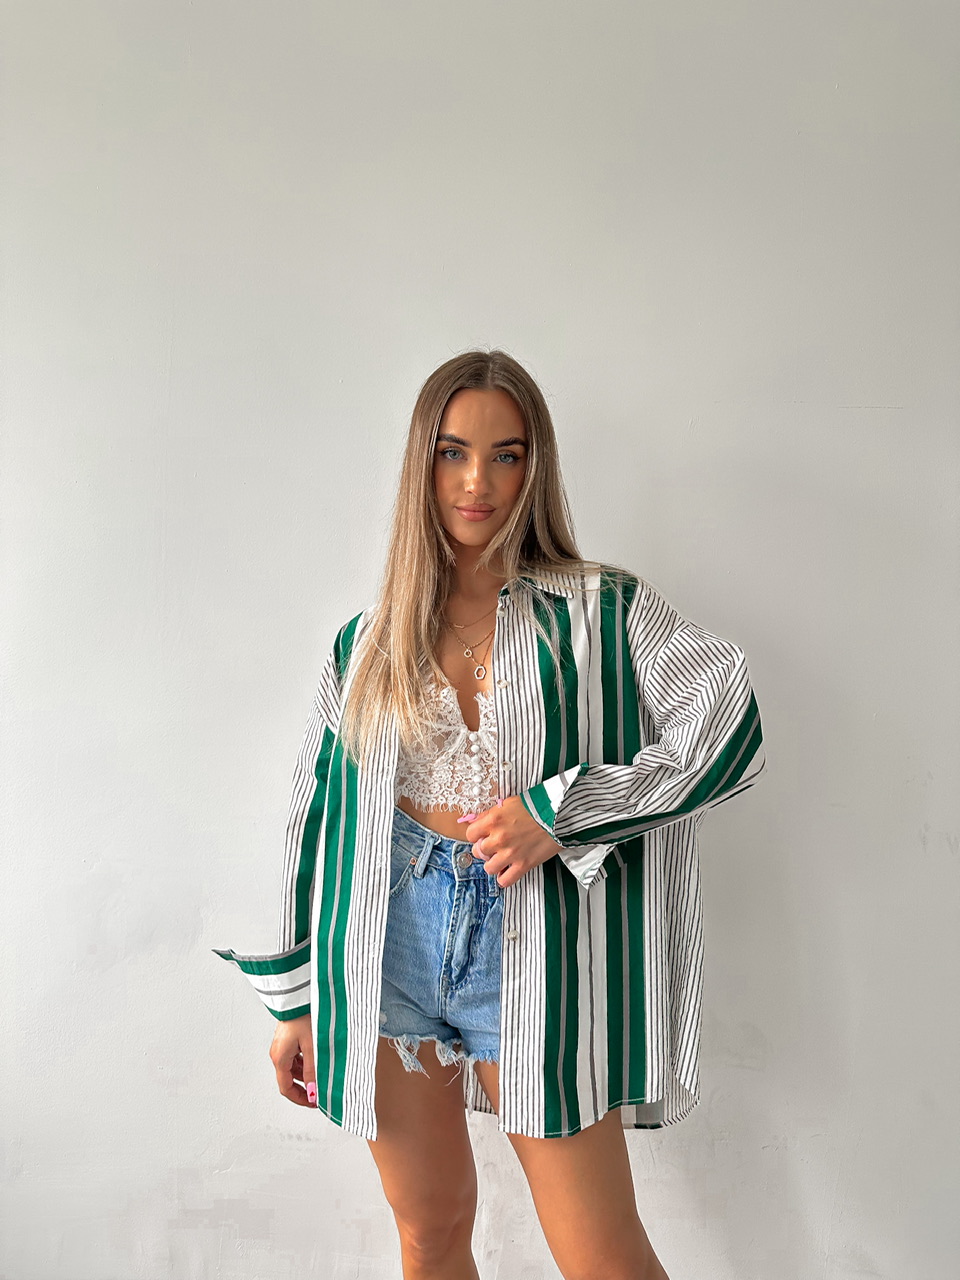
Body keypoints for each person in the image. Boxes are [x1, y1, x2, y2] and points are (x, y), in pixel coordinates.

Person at [214, 349, 766, 1279]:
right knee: (430, 1231)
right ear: (421, 464)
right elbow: (318, 816)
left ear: (534, 467)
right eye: (453, 452)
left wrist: (564, 813)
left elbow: (729, 722)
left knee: (603, 1257)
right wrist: (297, 1000)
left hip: (536, 939)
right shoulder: (368, 639)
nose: (478, 482)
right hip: (385, 944)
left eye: (506, 455)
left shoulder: (604, 611)